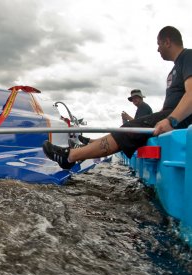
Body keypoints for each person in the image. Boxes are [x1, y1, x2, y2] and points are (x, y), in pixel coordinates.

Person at [43, 26, 192, 170]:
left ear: (167, 42)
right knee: (128, 128)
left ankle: (70, 157)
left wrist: (171, 120)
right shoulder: (175, 67)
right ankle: (83, 151)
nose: (158, 49)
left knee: (129, 129)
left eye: (159, 44)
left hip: (181, 119)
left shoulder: (188, 56)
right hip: (171, 115)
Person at [77, 89, 154, 145]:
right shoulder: (141, 108)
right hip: (139, 135)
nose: (134, 100)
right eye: (133, 98)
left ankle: (92, 141)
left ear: (141, 98)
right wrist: (124, 119)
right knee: (117, 133)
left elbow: (138, 125)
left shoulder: (143, 107)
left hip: (141, 136)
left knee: (116, 134)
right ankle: (93, 141)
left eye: (136, 97)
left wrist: (127, 117)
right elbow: (135, 124)